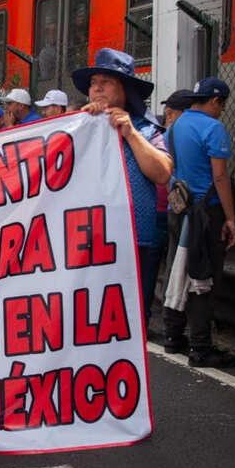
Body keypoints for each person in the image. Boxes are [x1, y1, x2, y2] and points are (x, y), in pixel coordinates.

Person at [73, 49, 173, 319]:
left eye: (106, 82)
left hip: (132, 242)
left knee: (128, 318)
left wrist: (129, 133)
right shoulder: (77, 126)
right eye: (94, 83)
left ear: (125, 89)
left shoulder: (146, 130)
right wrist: (76, 126)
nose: (97, 88)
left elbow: (162, 173)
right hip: (83, 242)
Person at [161, 78, 235, 367]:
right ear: (216, 101)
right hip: (206, 213)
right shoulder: (213, 128)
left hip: (178, 208)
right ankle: (200, 346)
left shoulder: (174, 126)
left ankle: (172, 335)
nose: (222, 111)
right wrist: (230, 218)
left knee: (175, 269)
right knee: (202, 277)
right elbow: (220, 177)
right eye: (222, 105)